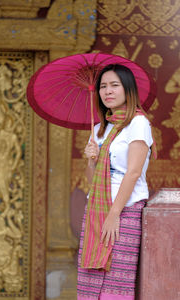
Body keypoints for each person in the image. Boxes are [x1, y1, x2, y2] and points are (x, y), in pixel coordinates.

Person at [77, 64, 156, 300]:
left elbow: (132, 172)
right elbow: (93, 183)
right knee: (91, 282)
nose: (107, 91)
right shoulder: (100, 129)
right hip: (95, 210)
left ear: (127, 89)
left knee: (116, 281)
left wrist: (113, 215)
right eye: (102, 86)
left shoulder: (138, 123)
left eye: (114, 85)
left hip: (125, 210)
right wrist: (91, 160)